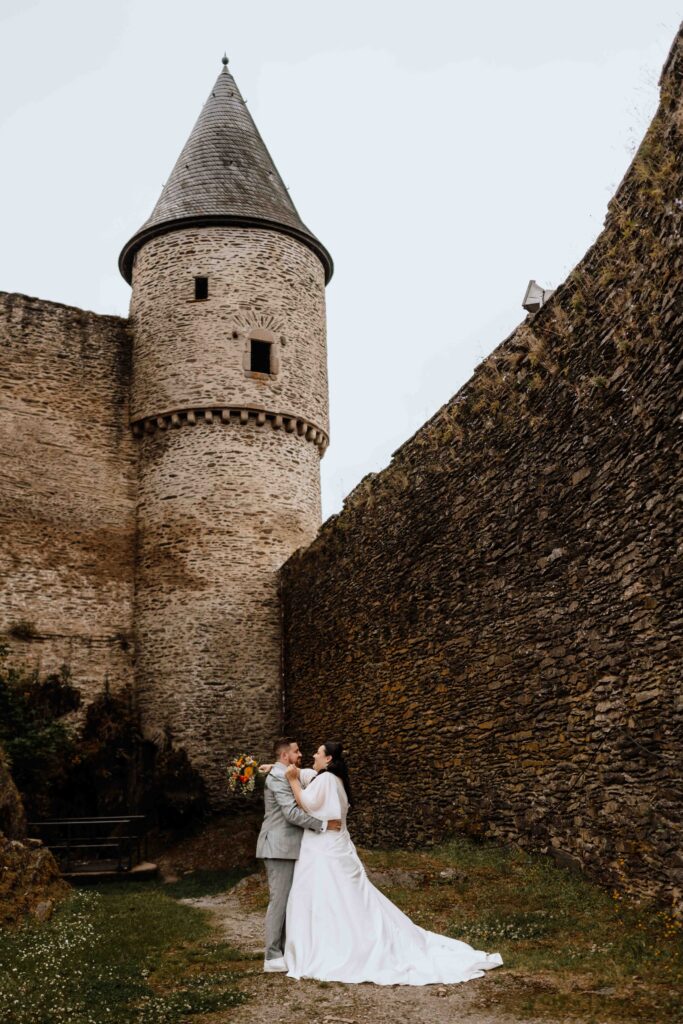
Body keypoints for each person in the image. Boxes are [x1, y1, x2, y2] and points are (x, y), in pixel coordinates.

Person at [281, 740, 503, 985]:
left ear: (329, 759)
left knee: (327, 895)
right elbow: (307, 774)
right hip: (335, 845)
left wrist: (291, 781)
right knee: (346, 896)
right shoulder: (336, 780)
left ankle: (331, 946)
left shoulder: (324, 780)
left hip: (323, 848)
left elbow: (308, 803)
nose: (313, 754)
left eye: (318, 752)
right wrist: (278, 767)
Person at [255, 737, 342, 973]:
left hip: (288, 847)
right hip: (278, 846)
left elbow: (298, 774)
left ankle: (283, 950)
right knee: (279, 901)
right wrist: (323, 825)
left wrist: (272, 766)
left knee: (288, 901)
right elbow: (292, 813)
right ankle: (272, 956)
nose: (301, 753)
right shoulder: (277, 778)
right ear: (285, 756)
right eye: (296, 751)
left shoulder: (281, 772)